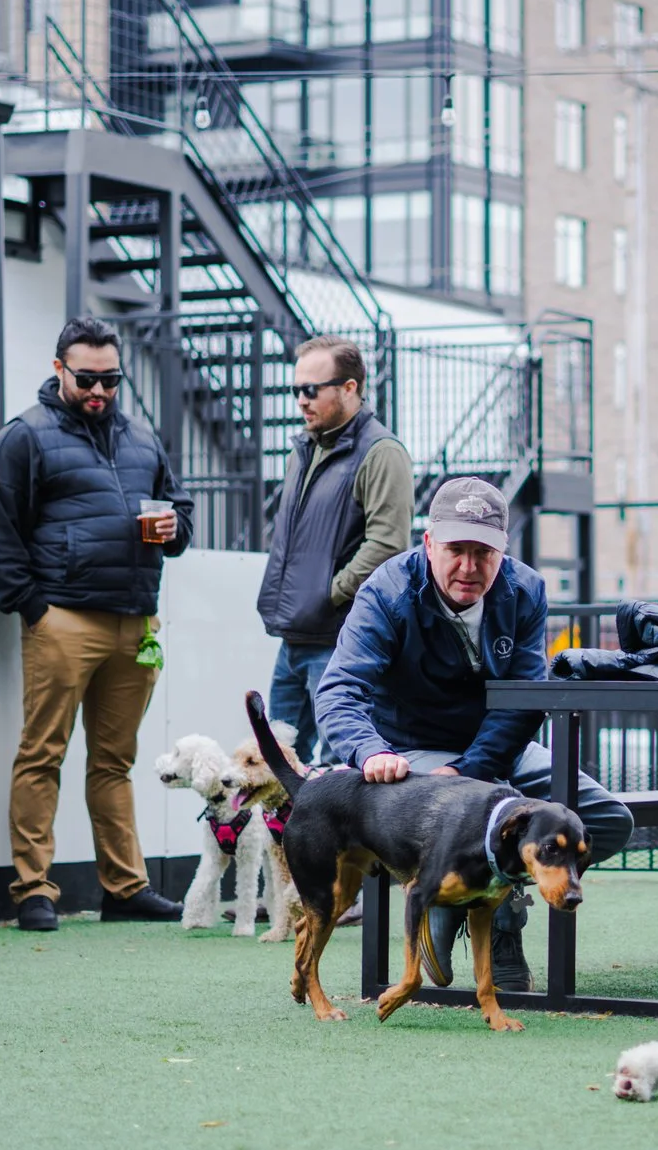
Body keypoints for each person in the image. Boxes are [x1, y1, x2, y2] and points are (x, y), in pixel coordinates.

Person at [315, 477, 634, 991]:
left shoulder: (525, 590)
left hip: (492, 754)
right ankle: (468, 904)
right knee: (472, 812)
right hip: (409, 752)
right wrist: (369, 749)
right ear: (428, 543)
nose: (468, 566)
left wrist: (468, 772)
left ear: (503, 551)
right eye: (456, 549)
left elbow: (523, 701)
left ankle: (477, 894)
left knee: (608, 818)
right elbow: (338, 689)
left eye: (483, 551)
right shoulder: (388, 590)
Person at [0, 317, 194, 934]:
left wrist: (176, 527)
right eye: (87, 378)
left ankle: (124, 888)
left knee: (114, 763)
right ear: (59, 370)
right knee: (43, 754)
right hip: (63, 619)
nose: (99, 391)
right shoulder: (26, 436)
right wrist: (34, 608)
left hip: (134, 621)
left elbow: (180, 512)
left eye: (110, 380)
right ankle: (33, 891)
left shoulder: (142, 440)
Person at [254, 335, 413, 763]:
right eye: (295, 390)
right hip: (294, 637)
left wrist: (329, 592)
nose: (301, 401)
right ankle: (281, 835)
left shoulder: (381, 453)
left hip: (342, 639)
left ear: (350, 388)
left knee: (336, 768)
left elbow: (388, 545)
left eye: (312, 390)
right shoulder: (304, 449)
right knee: (276, 765)